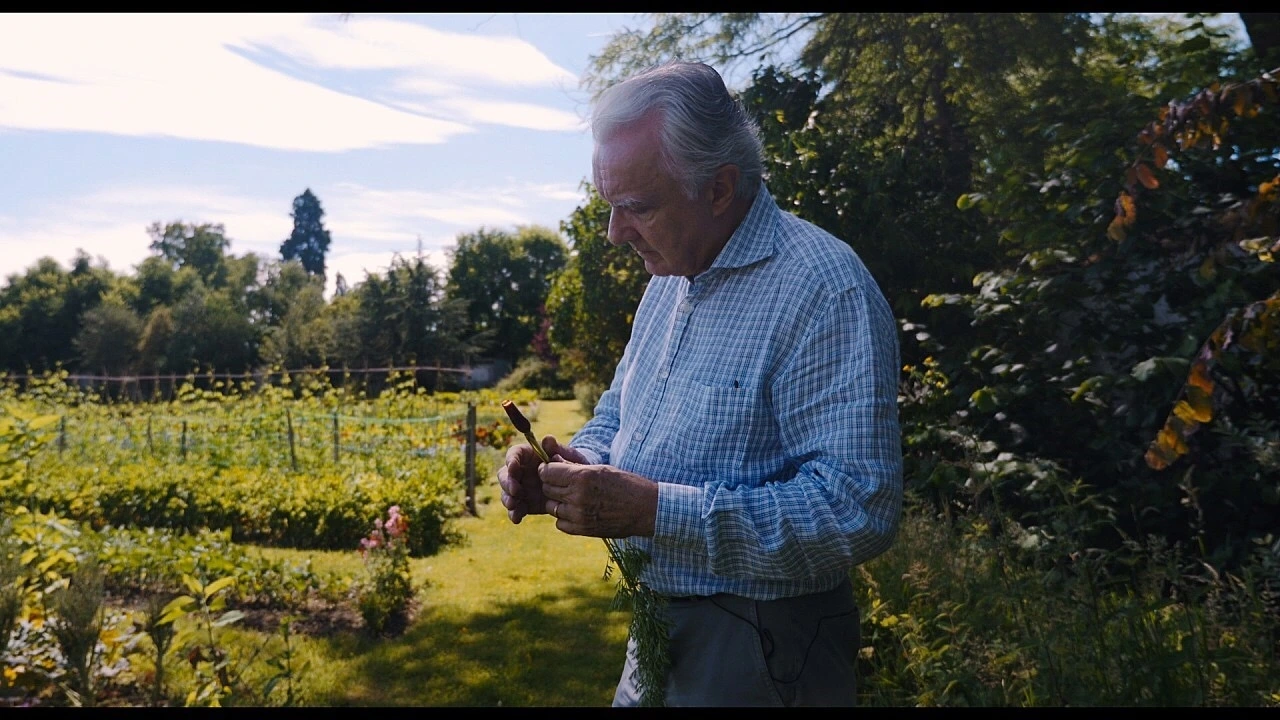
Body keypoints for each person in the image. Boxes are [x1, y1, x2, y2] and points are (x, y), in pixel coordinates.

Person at [497, 60, 902, 707]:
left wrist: (655, 510)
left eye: (636, 208)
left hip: (764, 646)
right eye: (610, 207)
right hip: (658, 629)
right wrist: (574, 467)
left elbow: (858, 508)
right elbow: (619, 411)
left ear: (719, 189)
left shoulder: (823, 289)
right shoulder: (669, 281)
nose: (614, 234)